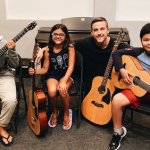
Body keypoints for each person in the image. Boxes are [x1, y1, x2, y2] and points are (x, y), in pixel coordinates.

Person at [36, 17, 130, 97]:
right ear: (91, 32)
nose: (99, 33)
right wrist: (43, 49)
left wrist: (122, 68)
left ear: (107, 30)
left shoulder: (117, 45)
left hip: (111, 82)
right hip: (92, 81)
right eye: (96, 30)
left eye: (102, 29)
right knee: (87, 112)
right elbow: (64, 43)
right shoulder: (86, 42)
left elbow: (135, 53)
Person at [109, 23, 150, 150]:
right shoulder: (137, 51)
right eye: (146, 39)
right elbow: (116, 54)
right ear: (141, 41)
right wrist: (121, 69)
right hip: (136, 89)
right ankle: (118, 132)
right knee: (116, 100)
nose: (149, 43)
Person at [29, 24, 75, 130]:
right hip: (53, 75)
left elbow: (71, 66)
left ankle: (67, 113)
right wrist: (34, 71)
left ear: (65, 36)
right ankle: (55, 111)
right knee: (52, 91)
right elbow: (45, 69)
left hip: (67, 74)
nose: (58, 36)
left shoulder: (70, 47)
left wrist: (64, 81)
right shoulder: (48, 51)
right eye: (55, 34)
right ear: (51, 35)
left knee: (62, 90)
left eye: (61, 34)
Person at [0, 36, 19, 146]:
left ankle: (1, 127)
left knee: (11, 100)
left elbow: (15, 65)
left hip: (4, 75)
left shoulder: (4, 43)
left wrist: (12, 50)